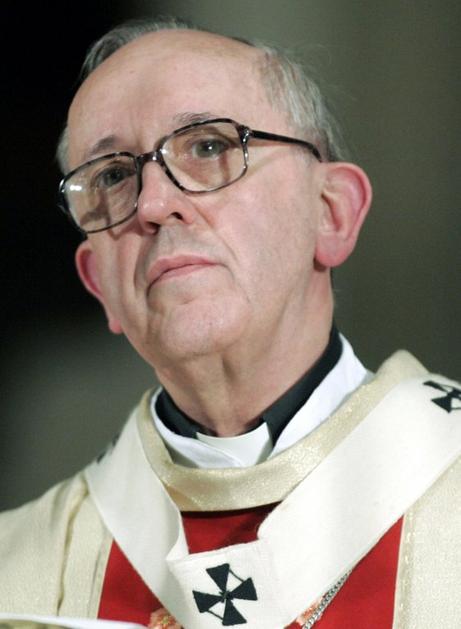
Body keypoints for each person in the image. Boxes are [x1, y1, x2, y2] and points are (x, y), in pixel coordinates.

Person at [0, 17, 460, 629]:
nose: (153, 203)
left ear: (331, 214)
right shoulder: (18, 574)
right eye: (112, 175)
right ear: (99, 284)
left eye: (209, 147)